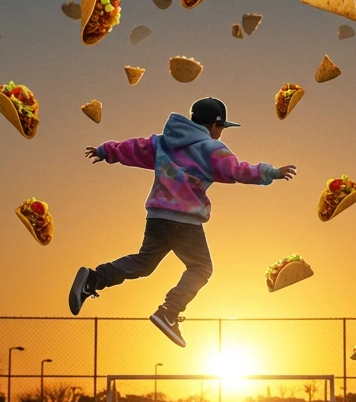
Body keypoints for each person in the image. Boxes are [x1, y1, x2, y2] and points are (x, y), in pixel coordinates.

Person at [68, 97, 297, 346]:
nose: (220, 134)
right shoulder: (211, 148)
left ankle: (94, 278)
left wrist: (106, 151)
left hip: (157, 217)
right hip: (185, 220)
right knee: (201, 268)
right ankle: (169, 311)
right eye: (221, 129)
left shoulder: (164, 142)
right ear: (213, 125)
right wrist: (272, 172)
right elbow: (238, 170)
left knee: (144, 263)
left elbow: (136, 148)